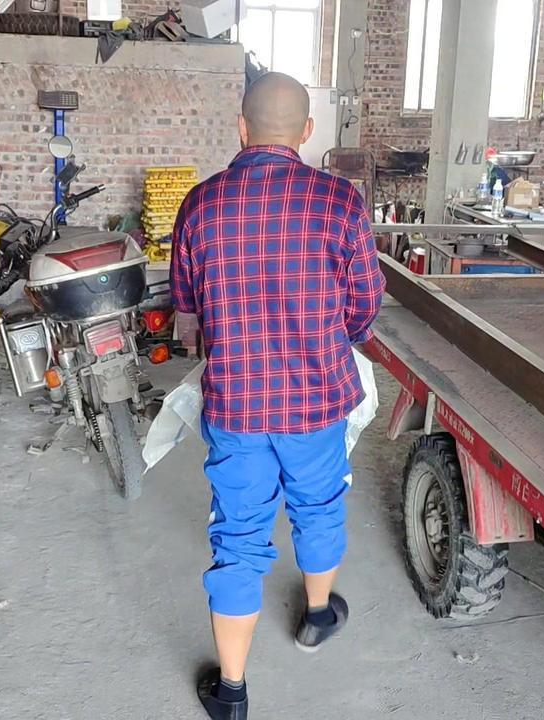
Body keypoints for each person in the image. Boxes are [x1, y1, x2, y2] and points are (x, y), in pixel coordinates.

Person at [169, 72, 385, 720]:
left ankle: (232, 692)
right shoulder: (341, 202)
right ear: (307, 132)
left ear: (241, 127)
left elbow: (187, 307)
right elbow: (364, 306)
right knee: (319, 508)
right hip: (317, 402)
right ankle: (318, 616)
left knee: (238, 538)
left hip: (236, 404)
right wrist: (331, 339)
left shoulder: (200, 204)